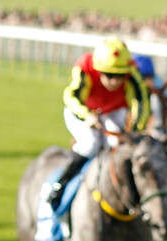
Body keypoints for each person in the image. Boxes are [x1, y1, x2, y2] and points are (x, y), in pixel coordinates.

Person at [50, 37, 150, 209]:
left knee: (117, 146)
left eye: (120, 76)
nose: (115, 81)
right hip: (81, 112)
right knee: (90, 143)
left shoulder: (132, 71)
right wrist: (87, 115)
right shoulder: (84, 67)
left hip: (113, 111)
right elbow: (72, 97)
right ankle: (60, 186)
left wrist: (134, 130)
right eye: (109, 75)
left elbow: (141, 102)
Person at [132, 54, 167, 136]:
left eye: (150, 78)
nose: (148, 82)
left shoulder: (158, 82)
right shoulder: (130, 86)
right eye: (144, 78)